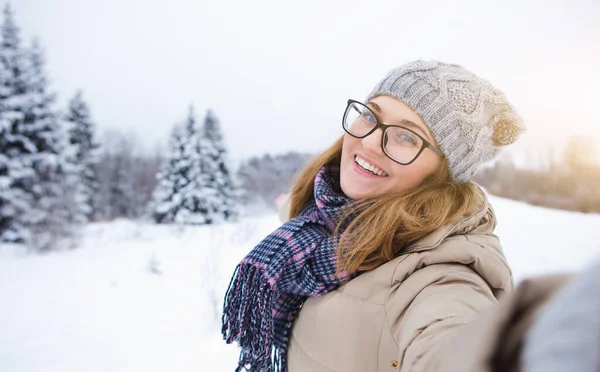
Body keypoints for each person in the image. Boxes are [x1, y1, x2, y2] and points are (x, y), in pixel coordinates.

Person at [221, 60, 525, 372]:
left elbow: (452, 340)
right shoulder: (318, 220)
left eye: (407, 137)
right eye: (369, 116)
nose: (369, 142)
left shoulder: (442, 276)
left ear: (443, 174)